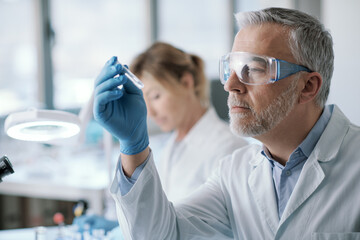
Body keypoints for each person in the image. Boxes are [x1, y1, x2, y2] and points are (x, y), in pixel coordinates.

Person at [93, 7, 360, 239]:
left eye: (253, 69)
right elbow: (160, 234)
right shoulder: (234, 171)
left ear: (308, 86)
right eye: (230, 68)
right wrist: (132, 146)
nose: (230, 85)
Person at [75, 42, 247, 237]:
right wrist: (117, 226)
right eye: (144, 100)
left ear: (186, 82)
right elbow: (158, 216)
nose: (150, 112)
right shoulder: (172, 146)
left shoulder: (229, 148)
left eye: (155, 96)